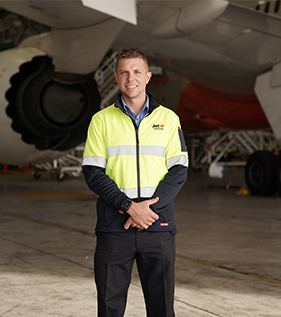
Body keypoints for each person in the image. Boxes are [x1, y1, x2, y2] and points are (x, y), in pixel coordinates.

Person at [82, 47, 188, 317]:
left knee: (162, 308)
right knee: (109, 307)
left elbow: (179, 169)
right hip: (114, 228)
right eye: (124, 72)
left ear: (148, 76)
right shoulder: (101, 121)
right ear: (116, 77)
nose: (131, 78)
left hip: (158, 227)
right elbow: (93, 173)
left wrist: (149, 211)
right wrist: (130, 207)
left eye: (137, 71)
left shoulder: (168, 119)